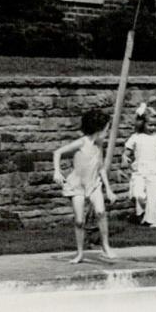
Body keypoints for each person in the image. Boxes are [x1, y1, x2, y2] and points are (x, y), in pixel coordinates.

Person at [52, 107, 117, 263]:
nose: (107, 132)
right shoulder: (81, 142)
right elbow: (57, 152)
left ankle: (105, 246)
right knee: (79, 221)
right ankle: (80, 253)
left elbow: (100, 168)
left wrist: (108, 189)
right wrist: (57, 171)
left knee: (101, 212)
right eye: (106, 129)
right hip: (77, 186)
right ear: (98, 128)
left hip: (94, 184)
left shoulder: (99, 145)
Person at [123, 102, 156, 228]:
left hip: (154, 169)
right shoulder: (136, 137)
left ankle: (152, 219)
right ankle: (143, 211)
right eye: (150, 125)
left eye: (155, 125)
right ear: (142, 124)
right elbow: (126, 152)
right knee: (137, 193)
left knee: (154, 194)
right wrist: (124, 157)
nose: (153, 128)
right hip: (139, 170)